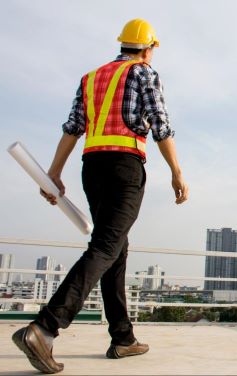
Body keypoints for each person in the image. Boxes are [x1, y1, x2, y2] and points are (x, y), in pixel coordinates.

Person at [12, 18, 188, 374]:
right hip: (125, 167)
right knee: (107, 245)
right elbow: (160, 124)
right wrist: (177, 172)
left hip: (91, 167)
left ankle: (123, 338)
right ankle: (44, 329)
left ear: (123, 44)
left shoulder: (90, 78)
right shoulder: (144, 74)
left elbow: (72, 128)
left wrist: (53, 175)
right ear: (149, 48)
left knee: (115, 248)